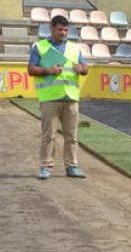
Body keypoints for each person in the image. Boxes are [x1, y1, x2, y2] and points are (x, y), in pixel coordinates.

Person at [29, 14, 89, 180]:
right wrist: (48, 70)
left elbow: (86, 68)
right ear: (52, 28)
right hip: (50, 98)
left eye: (65, 30)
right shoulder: (40, 47)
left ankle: (72, 166)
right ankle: (46, 167)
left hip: (70, 98)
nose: (63, 33)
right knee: (49, 135)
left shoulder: (74, 48)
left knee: (72, 136)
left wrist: (81, 68)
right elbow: (31, 69)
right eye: (60, 30)